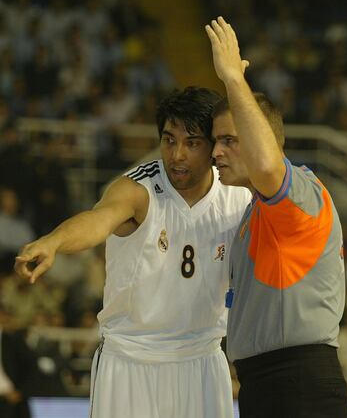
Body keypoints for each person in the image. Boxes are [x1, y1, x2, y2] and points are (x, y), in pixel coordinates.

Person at [14, 86, 251, 418]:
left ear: (214, 147)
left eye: (192, 143)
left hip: (202, 360)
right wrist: (53, 241)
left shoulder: (238, 196)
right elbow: (98, 219)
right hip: (130, 360)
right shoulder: (137, 189)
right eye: (169, 140)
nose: (177, 154)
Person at [206, 17, 347, 417]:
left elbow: (268, 168)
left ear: (261, 141)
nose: (216, 152)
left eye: (229, 140)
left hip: (298, 384)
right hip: (269, 385)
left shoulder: (301, 194)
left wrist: (234, 79)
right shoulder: (257, 211)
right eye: (216, 141)